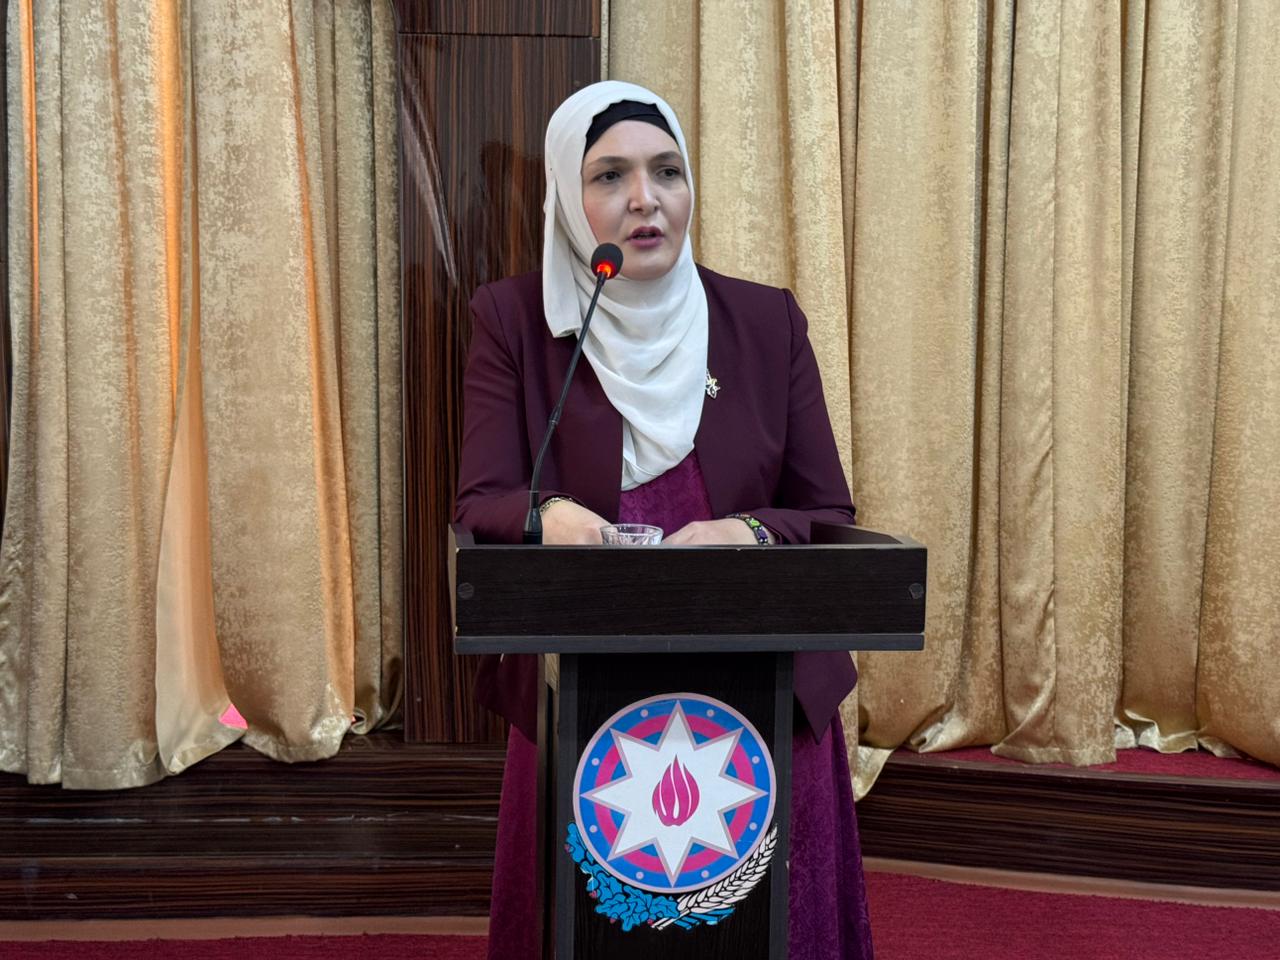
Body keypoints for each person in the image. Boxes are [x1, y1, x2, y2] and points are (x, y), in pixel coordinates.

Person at [455, 80, 873, 960]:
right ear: (567, 196)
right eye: (610, 176)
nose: (645, 199)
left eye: (667, 171)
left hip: (762, 692)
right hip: (584, 696)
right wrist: (547, 514)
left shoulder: (765, 322)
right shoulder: (514, 322)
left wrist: (744, 534)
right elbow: (481, 500)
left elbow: (827, 511)